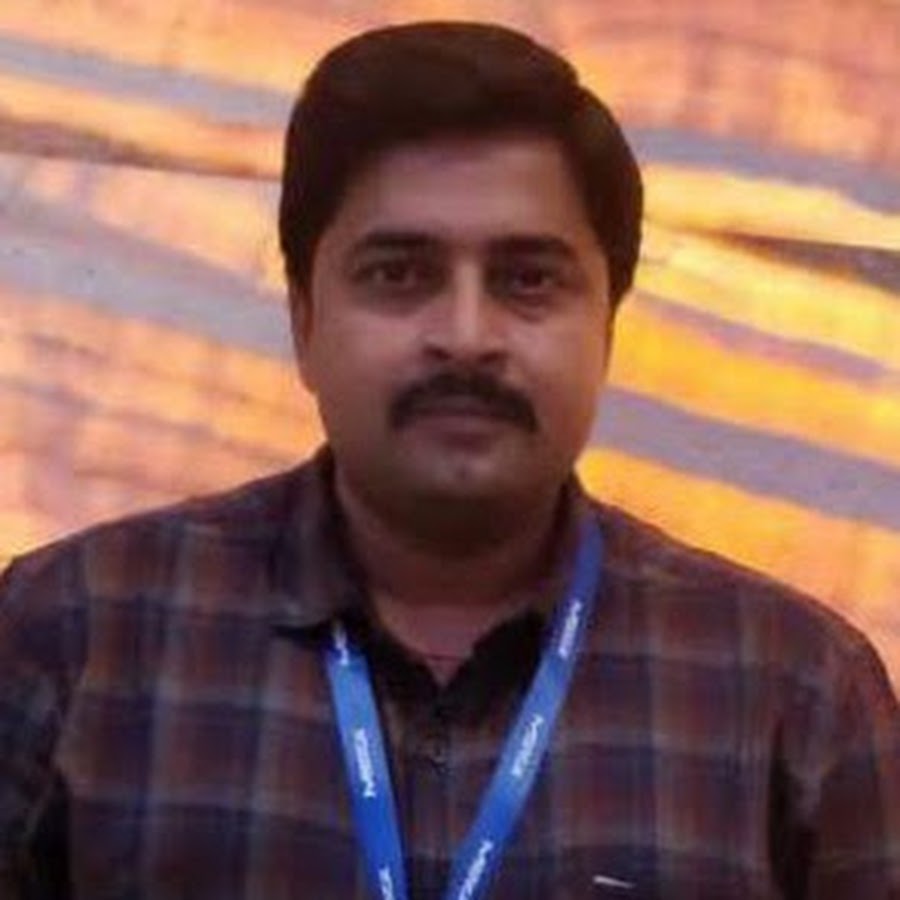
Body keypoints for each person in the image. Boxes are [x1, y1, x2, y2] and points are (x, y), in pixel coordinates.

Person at [1, 20, 898, 900]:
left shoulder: (795, 691)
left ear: (607, 326)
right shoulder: (69, 637)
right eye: (399, 274)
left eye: (528, 279)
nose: (467, 336)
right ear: (304, 320)